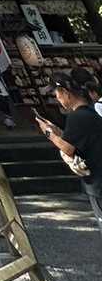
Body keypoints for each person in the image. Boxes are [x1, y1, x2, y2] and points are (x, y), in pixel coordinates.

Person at [35, 73, 102, 234]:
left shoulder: (77, 116)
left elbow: (68, 148)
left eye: (57, 94)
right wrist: (57, 131)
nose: (57, 98)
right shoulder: (88, 113)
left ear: (65, 92)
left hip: (98, 181)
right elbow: (75, 139)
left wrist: (48, 133)